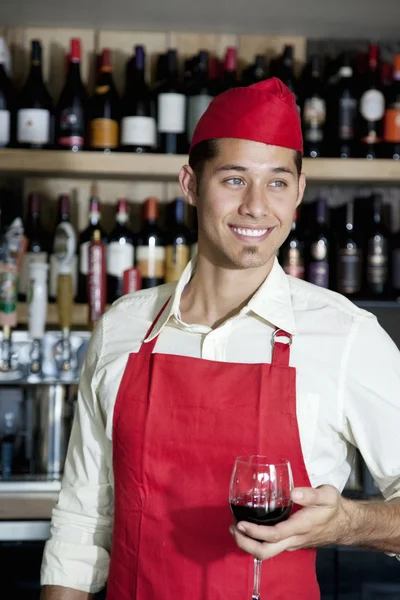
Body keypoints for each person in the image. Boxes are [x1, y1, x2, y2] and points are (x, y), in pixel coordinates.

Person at [40, 78, 400, 600]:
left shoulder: (346, 336)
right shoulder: (124, 326)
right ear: (190, 184)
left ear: (299, 192)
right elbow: (81, 520)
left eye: (277, 183)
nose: (257, 207)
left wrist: (345, 523)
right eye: (234, 180)